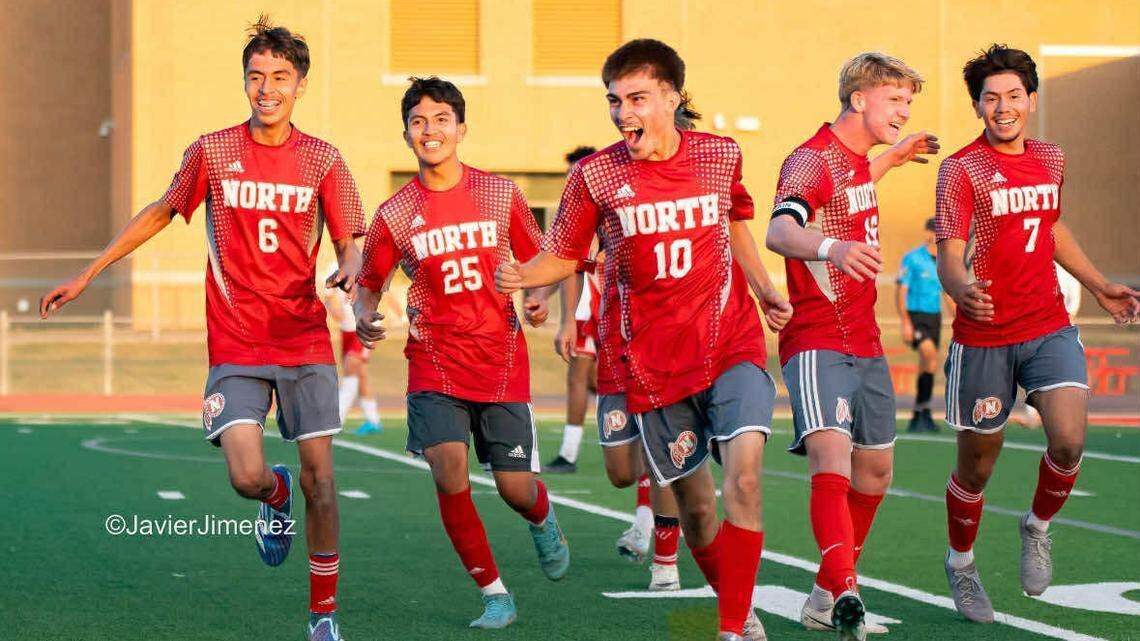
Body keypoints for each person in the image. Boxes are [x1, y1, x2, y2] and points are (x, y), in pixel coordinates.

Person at [40, 17, 363, 641]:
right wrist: (88, 273)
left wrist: (349, 273)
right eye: (256, 76)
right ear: (245, 81)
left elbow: (352, 241)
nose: (266, 88)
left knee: (324, 482)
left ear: (300, 85)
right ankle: (275, 498)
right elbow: (161, 211)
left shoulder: (323, 158)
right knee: (246, 475)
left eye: (280, 77)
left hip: (301, 338)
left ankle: (323, 617)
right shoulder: (213, 151)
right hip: (238, 342)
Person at [496, 39, 793, 641]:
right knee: (699, 510)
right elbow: (565, 254)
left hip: (728, 340)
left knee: (745, 478)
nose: (622, 112)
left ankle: (732, 628)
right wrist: (520, 275)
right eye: (614, 100)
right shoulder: (595, 175)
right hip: (651, 363)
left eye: (636, 98)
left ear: (672, 97)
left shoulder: (719, 155)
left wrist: (762, 287)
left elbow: (733, 220)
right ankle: (733, 600)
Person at [353, 77, 569, 630]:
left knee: (514, 490)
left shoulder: (499, 194)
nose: (431, 131)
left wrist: (538, 297)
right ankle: (495, 594)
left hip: (499, 363)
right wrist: (362, 313)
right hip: (434, 361)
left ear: (462, 128)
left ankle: (543, 519)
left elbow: (539, 261)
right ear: (406, 135)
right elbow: (370, 281)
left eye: (442, 119)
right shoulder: (396, 214)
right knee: (448, 471)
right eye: (419, 122)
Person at [935, 44, 1140, 624]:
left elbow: (1049, 227)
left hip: (1049, 324)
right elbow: (949, 253)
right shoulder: (962, 168)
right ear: (978, 106)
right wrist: (960, 287)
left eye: (1014, 96)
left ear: (1032, 100)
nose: (1003, 107)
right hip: (985, 335)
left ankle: (1037, 526)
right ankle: (962, 563)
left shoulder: (1050, 158)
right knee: (977, 469)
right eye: (991, 97)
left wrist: (1100, 285)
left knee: (1070, 440)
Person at [766, 52, 938, 640]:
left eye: (907, 103)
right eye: (896, 101)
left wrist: (898, 152)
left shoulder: (857, 160)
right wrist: (833, 249)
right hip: (817, 336)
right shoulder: (810, 159)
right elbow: (779, 230)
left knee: (877, 474)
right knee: (833, 462)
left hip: (863, 335)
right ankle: (847, 590)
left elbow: (858, 180)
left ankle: (822, 592)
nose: (903, 110)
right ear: (859, 100)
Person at [547, 145, 600, 474]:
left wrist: (567, 318)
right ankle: (568, 452)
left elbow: (574, 266)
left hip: (601, 309)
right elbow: (561, 264)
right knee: (591, 380)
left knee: (582, 379)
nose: (572, 180)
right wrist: (539, 292)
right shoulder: (575, 214)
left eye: (576, 173)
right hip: (589, 308)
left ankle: (568, 455)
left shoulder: (600, 209)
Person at [895, 217, 953, 433]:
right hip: (916, 315)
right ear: (927, 233)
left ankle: (921, 413)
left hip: (934, 317)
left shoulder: (944, 261)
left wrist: (960, 317)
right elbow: (901, 291)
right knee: (928, 355)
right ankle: (921, 412)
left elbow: (947, 293)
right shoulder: (912, 259)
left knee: (928, 364)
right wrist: (906, 323)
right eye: (933, 231)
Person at [322, 261, 382, 434]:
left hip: (364, 325)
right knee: (360, 373)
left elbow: (378, 292)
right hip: (346, 329)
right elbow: (330, 296)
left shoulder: (366, 262)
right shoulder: (333, 265)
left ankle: (335, 419)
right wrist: (333, 309)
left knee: (351, 367)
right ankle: (373, 420)